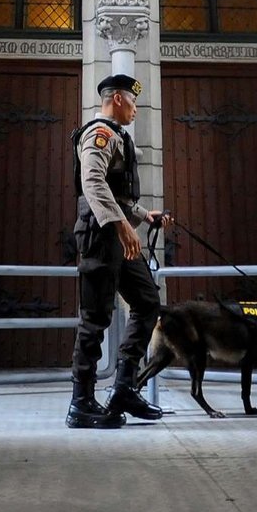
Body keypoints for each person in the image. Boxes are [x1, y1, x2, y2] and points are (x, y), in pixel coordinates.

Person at [66, 74, 172, 429]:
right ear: (117, 99)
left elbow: (119, 194)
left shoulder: (119, 137)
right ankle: (80, 402)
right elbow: (92, 183)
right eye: (134, 101)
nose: (137, 110)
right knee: (95, 319)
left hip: (118, 235)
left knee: (146, 302)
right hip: (101, 234)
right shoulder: (99, 134)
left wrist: (144, 216)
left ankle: (124, 386)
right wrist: (124, 225)